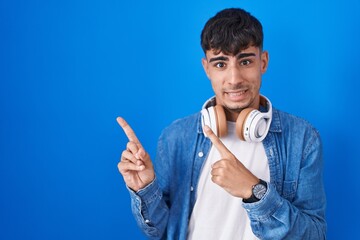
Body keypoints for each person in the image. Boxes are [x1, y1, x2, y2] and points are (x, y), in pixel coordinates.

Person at [117, 8, 326, 240]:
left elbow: (315, 235)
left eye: (245, 61)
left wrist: (254, 192)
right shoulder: (175, 137)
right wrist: (145, 189)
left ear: (263, 62)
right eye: (220, 64)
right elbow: (161, 230)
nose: (235, 79)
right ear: (206, 68)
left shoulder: (303, 138)